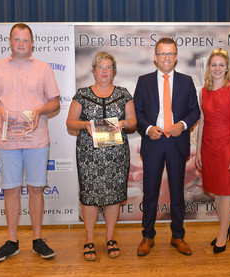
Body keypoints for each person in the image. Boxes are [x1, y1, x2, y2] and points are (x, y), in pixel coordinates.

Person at [0, 23, 60, 262]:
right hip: (7, 140)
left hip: (36, 139)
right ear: (10, 41)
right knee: (11, 189)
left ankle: (37, 240)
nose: (21, 44)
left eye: (26, 40)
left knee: (36, 187)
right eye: (17, 40)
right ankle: (12, 241)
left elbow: (55, 102)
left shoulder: (44, 69)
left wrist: (39, 110)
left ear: (32, 43)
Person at [66, 51, 136, 261]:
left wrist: (123, 123)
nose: (104, 71)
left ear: (114, 72)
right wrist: (84, 125)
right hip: (89, 155)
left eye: (108, 67)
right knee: (89, 198)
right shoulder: (82, 94)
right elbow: (70, 122)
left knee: (113, 196)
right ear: (94, 70)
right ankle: (89, 239)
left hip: (116, 156)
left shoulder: (124, 94)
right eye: (101, 67)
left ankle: (110, 237)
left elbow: (133, 122)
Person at [134, 37, 200, 256]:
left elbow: (194, 111)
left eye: (170, 54)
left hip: (176, 142)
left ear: (176, 57)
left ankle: (178, 236)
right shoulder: (143, 81)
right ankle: (147, 236)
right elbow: (137, 112)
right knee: (150, 192)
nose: (166, 58)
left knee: (177, 193)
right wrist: (148, 128)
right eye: (162, 54)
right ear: (155, 57)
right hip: (153, 141)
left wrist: (182, 125)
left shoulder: (186, 81)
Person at [195, 48, 230, 254]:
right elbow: (202, 122)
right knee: (214, 190)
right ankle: (226, 225)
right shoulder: (202, 92)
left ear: (227, 68)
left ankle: (223, 234)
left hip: (227, 145)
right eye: (213, 65)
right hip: (208, 145)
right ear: (209, 68)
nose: (217, 68)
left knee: (226, 192)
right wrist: (198, 151)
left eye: (221, 65)